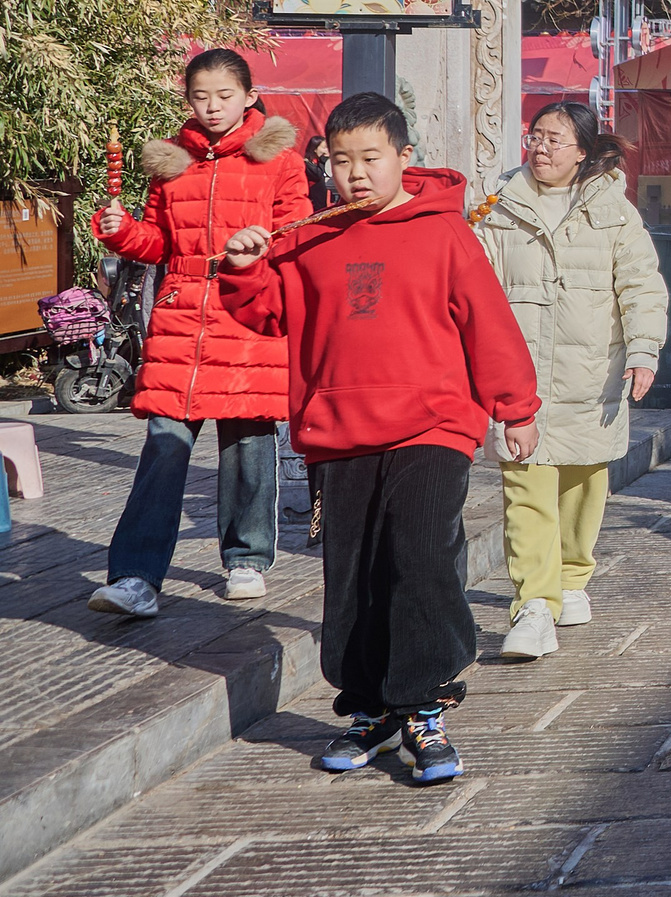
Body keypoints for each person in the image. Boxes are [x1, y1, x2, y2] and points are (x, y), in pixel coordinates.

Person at [219, 94, 539, 785]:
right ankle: (370, 708)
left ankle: (425, 704)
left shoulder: (443, 232)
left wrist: (517, 407)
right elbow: (266, 313)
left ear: (404, 157)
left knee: (421, 555)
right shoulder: (310, 236)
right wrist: (245, 266)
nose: (356, 173)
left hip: (433, 422)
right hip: (340, 430)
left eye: (370, 158)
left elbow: (489, 321)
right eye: (341, 160)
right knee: (356, 570)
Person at [88, 48, 308, 618]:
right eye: (200, 97)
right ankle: (136, 575)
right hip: (181, 316)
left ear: (250, 96)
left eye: (224, 96)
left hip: (248, 312)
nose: (212, 107)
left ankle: (247, 558)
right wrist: (122, 232)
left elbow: (295, 233)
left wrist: (258, 248)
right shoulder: (174, 163)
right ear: (187, 100)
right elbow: (159, 241)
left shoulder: (279, 160)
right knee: (164, 446)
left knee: (247, 443)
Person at [476, 102, 669, 661]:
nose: (540, 148)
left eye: (554, 140)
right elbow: (473, 284)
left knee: (584, 481)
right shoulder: (498, 207)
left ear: (582, 152)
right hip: (521, 377)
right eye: (534, 137)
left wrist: (644, 350)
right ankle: (534, 604)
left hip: (592, 371)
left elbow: (642, 285)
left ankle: (572, 576)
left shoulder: (613, 209)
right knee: (526, 485)